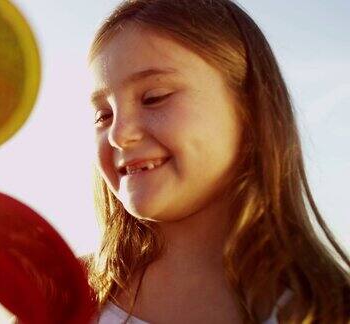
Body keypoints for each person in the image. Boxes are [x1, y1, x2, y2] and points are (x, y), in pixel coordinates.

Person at [84, 0, 350, 323]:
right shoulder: (69, 296)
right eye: (104, 115)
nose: (118, 133)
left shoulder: (323, 310)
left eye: (154, 98)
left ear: (248, 112)